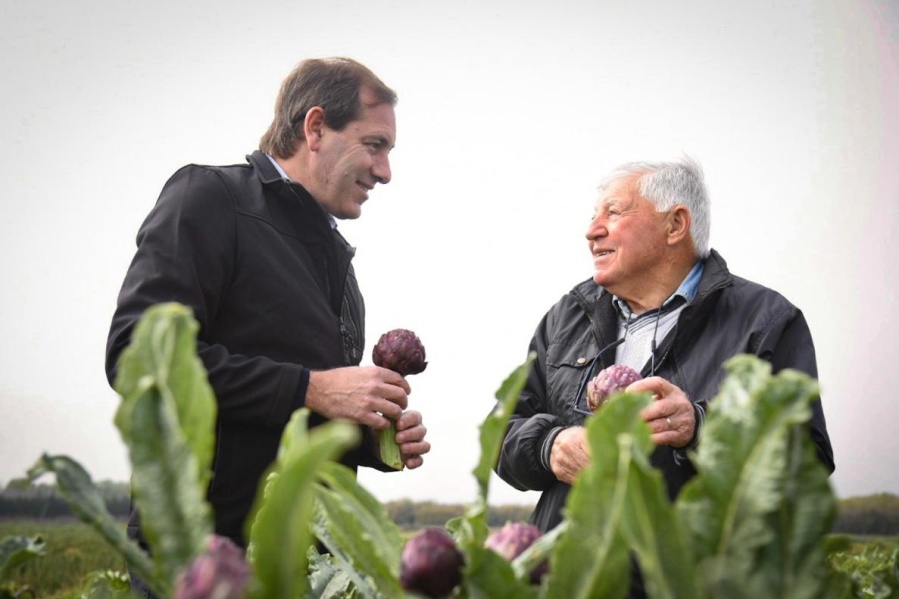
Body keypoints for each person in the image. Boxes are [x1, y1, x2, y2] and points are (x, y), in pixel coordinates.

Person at [105, 57, 430, 585]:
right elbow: (137, 358)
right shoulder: (211, 199)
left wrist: (369, 436)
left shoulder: (342, 272)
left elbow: (295, 415)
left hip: (310, 570)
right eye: (375, 145)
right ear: (316, 127)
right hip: (203, 564)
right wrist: (311, 389)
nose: (385, 172)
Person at [493, 157, 833, 597]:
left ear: (675, 225)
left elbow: (810, 458)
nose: (592, 230)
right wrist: (548, 446)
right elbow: (503, 431)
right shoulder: (566, 316)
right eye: (594, 215)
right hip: (567, 583)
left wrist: (701, 428)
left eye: (613, 213)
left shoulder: (766, 321)